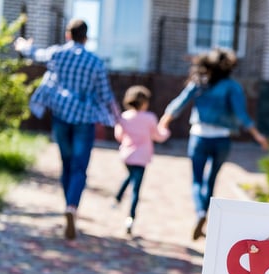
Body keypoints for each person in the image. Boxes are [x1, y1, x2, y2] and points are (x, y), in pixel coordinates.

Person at [14, 18, 120, 240]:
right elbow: (105, 95)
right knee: (80, 168)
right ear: (86, 37)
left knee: (66, 163)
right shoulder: (95, 62)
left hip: (61, 115)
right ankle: (72, 206)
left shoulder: (58, 53)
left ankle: (68, 205)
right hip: (84, 119)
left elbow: (35, 54)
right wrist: (120, 120)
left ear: (68, 35)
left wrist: (23, 45)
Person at [158, 48, 269, 240]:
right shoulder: (232, 87)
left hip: (199, 136)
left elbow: (179, 102)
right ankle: (204, 215)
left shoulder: (199, 83)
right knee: (211, 180)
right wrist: (257, 135)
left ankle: (200, 212)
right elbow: (242, 115)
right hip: (222, 139)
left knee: (196, 180)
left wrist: (164, 121)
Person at [114, 85, 170, 235]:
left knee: (131, 176)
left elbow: (118, 135)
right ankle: (130, 217)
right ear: (144, 102)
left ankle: (118, 197)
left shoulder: (124, 117)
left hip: (127, 155)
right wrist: (165, 128)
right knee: (136, 188)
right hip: (142, 157)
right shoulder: (149, 118)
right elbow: (159, 135)